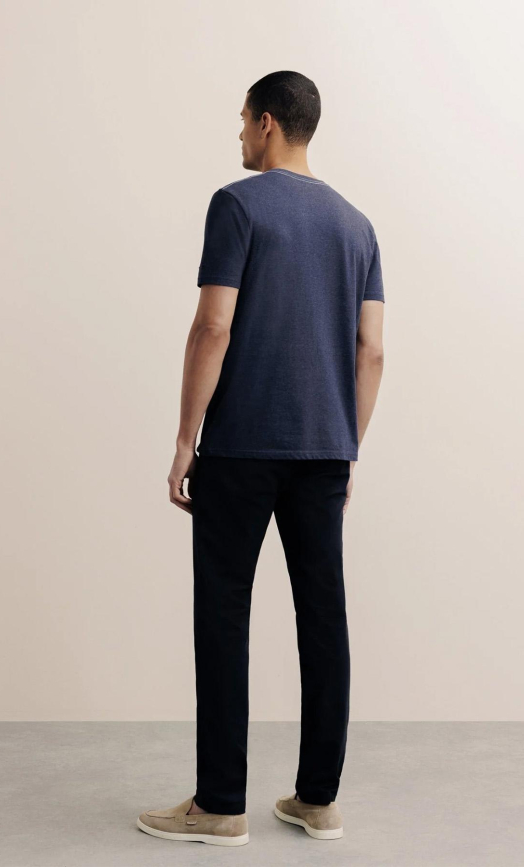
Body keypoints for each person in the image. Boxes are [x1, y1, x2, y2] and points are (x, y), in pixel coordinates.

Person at [137, 70, 385, 847]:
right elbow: (372, 350)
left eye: (244, 120)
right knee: (324, 618)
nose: (240, 134)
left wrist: (186, 437)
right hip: (324, 450)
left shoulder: (238, 205)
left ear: (269, 123)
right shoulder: (357, 226)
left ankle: (220, 804)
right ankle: (319, 799)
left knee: (223, 614)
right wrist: (347, 446)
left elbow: (213, 325)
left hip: (241, 445)